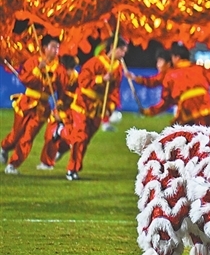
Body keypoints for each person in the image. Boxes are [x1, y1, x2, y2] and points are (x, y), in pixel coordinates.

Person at [59, 37, 128, 181]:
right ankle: (72, 169)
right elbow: (83, 81)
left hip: (97, 109)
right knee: (80, 136)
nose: (123, 54)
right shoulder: (95, 62)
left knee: (85, 139)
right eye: (121, 50)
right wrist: (101, 79)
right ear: (113, 48)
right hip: (83, 104)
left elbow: (115, 91)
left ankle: (62, 133)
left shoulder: (118, 69)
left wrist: (111, 105)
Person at [1, 35, 67, 174]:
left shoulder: (59, 69)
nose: (56, 50)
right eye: (53, 47)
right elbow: (24, 79)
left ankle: (12, 165)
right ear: (45, 47)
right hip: (26, 103)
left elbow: (62, 89)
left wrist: (60, 102)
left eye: (57, 48)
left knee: (28, 137)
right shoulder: (33, 61)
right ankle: (4, 147)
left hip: (42, 108)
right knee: (16, 134)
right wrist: (38, 69)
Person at [141, 43, 210, 127]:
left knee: (177, 136)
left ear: (176, 57)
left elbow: (166, 101)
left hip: (188, 108)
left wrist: (151, 111)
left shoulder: (171, 74)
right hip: (206, 106)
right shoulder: (199, 68)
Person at [37, 55, 79, 170]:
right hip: (59, 109)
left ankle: (61, 145)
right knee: (50, 134)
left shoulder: (75, 77)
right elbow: (51, 87)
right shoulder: (59, 73)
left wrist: (63, 101)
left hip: (70, 110)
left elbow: (75, 94)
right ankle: (47, 163)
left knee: (72, 136)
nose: (70, 71)